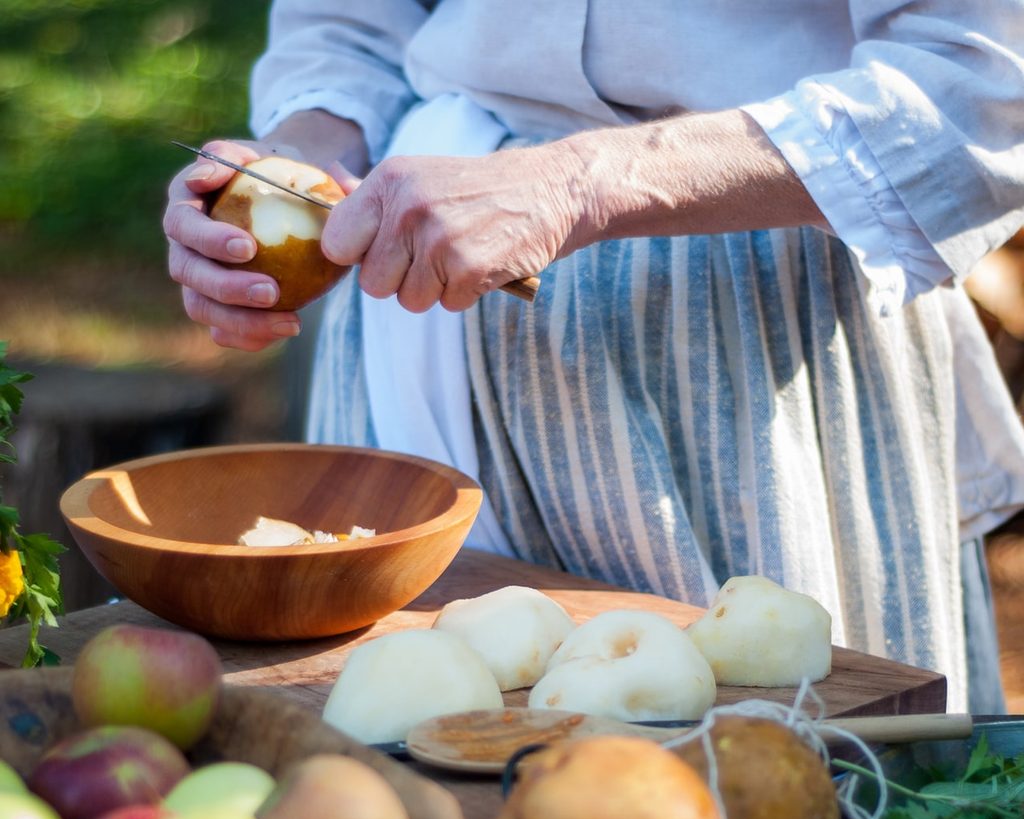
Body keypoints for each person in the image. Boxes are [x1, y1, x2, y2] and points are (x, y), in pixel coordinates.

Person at [162, 2, 1024, 714]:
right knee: (411, 795)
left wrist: (579, 181)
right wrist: (299, 170)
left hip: (742, 336)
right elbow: (349, 24)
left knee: (770, 773)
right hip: (417, 318)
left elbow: (985, 85)